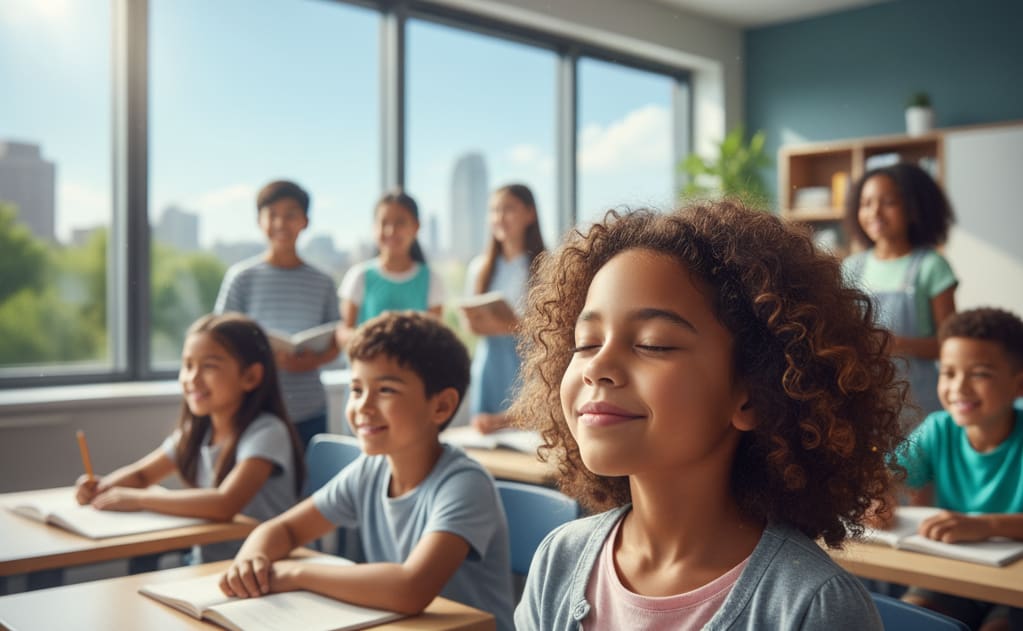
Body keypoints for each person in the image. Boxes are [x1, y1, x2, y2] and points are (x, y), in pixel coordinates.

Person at [510, 202, 903, 629]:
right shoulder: (560, 561)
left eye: (654, 344)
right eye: (585, 343)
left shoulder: (812, 607)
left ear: (752, 395)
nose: (597, 366)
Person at [219, 312, 514, 631]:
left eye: (385, 390)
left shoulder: (465, 485)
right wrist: (253, 558)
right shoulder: (370, 470)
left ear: (441, 406)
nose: (363, 406)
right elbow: (284, 530)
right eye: (357, 389)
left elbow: (410, 588)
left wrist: (296, 574)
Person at [75, 313, 305, 564]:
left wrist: (139, 499)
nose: (192, 378)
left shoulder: (267, 432)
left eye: (209, 366)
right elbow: (142, 475)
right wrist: (102, 488)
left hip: (263, 568)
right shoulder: (197, 432)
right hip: (209, 564)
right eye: (188, 365)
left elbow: (224, 503)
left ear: (250, 377)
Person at [875, 307, 1023, 630]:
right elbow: (885, 477)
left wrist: (984, 526)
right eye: (949, 372)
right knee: (910, 619)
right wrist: (878, 498)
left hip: (1016, 586)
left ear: (1018, 384)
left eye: (980, 373)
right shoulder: (939, 428)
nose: (960, 387)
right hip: (958, 571)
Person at [214, 180, 341, 448]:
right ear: (260, 221)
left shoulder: (323, 281)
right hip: (254, 408)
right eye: (272, 215)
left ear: (305, 221)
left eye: (291, 215)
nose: (281, 223)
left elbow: (336, 344)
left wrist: (311, 360)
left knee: (310, 486)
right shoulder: (241, 278)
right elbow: (220, 342)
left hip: (310, 410)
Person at [843, 163, 957, 427]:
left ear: (913, 209)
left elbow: (951, 346)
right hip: (865, 404)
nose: (875, 212)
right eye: (866, 203)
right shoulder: (850, 268)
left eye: (888, 202)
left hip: (921, 408)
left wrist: (897, 344)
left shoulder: (932, 267)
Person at [462, 183, 546, 434]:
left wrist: (514, 325)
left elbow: (550, 326)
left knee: (526, 432)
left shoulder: (544, 265)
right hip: (488, 362)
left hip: (526, 362)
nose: (499, 217)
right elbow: (470, 325)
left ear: (530, 214)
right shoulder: (479, 268)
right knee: (486, 433)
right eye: (494, 210)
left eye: (508, 209)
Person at [335, 191, 444, 347]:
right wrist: (373, 343)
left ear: (416, 226)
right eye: (384, 223)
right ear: (374, 228)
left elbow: (436, 338)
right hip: (368, 369)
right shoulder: (359, 275)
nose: (391, 231)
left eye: (400, 222)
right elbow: (343, 333)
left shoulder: (432, 279)